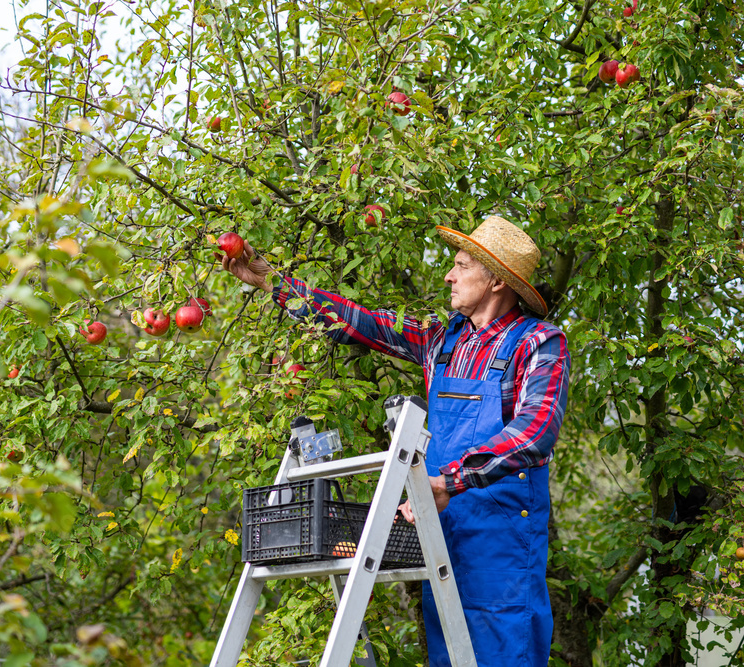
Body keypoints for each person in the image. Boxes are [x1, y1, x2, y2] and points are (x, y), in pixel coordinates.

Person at [222, 215, 570, 667]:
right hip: (442, 532)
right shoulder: (440, 338)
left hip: (500, 541)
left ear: (498, 281)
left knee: (506, 650)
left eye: (462, 265)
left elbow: (534, 433)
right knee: (449, 652)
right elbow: (358, 322)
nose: (450, 274)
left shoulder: (540, 342)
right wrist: (271, 281)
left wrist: (449, 481)